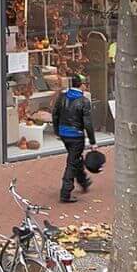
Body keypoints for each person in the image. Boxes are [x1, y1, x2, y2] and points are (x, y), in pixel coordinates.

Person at [52, 74, 95, 203]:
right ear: (81, 85)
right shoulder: (84, 101)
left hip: (64, 133)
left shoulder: (62, 97)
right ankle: (65, 192)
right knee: (72, 162)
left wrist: (57, 131)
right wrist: (92, 141)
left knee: (75, 158)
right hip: (76, 135)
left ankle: (83, 181)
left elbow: (55, 114)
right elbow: (88, 123)